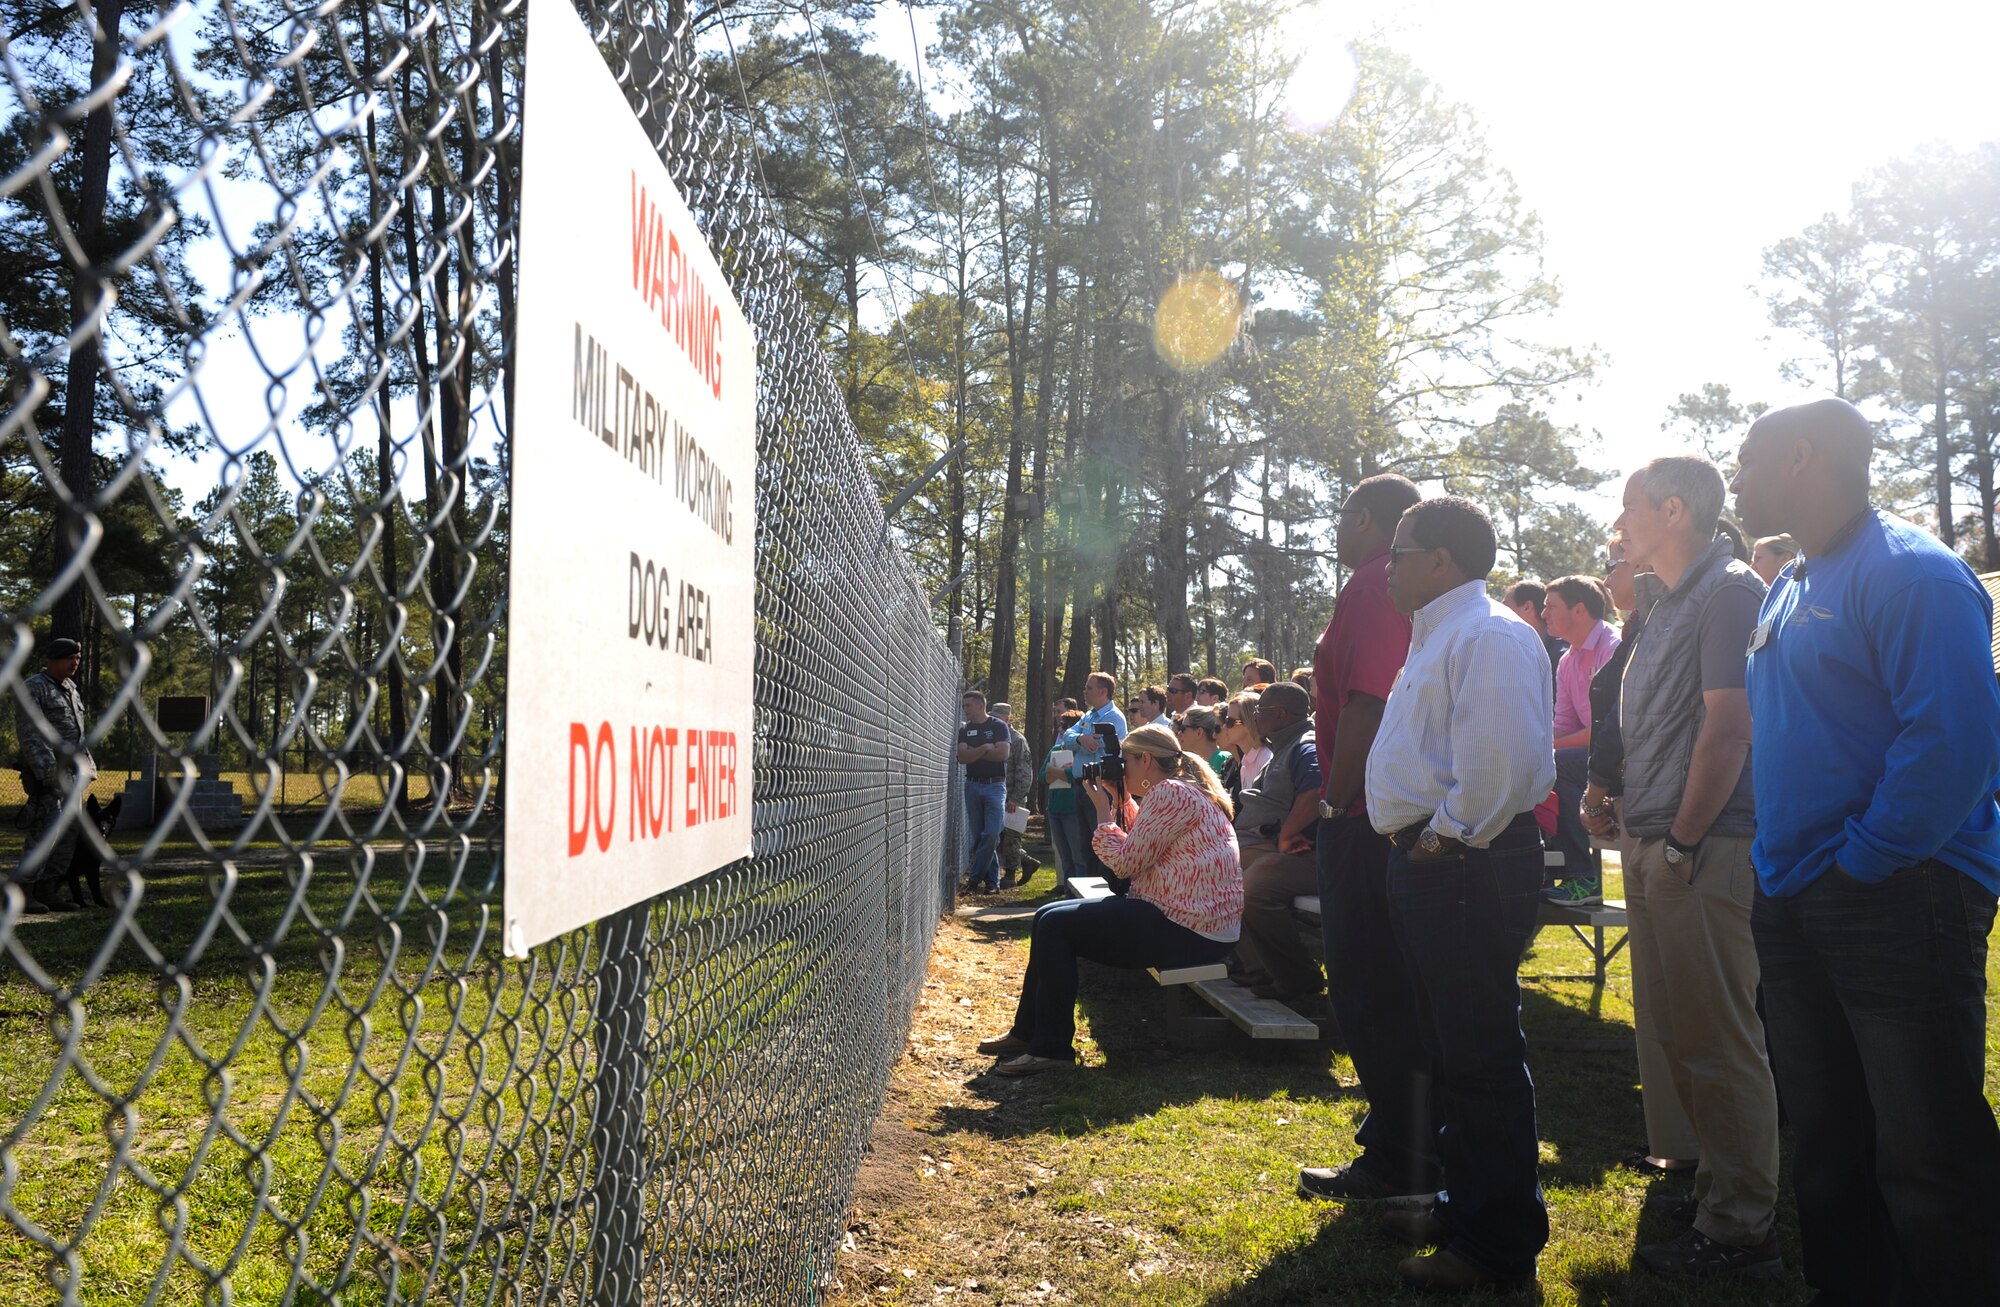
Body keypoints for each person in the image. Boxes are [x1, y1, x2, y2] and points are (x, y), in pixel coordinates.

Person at [1732, 397, 2000, 1304]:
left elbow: (1956, 741)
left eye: (1749, 457)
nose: (1736, 477)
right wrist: (1786, 871)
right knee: (1829, 1140)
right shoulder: (1790, 583)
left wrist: (1865, 859)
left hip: (1898, 892)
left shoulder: (1913, 573)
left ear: (1802, 456)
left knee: (1927, 1150)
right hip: (1795, 894)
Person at [1592, 456, 1780, 1279]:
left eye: (1629, 505)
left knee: (1718, 1039)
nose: (1618, 522)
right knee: (1676, 1031)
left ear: (1674, 510)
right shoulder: (1666, 599)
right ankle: (1714, 1189)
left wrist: (1680, 839)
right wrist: (1622, 800)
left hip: (1700, 847)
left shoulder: (1729, 591)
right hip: (1659, 841)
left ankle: (1740, 1227)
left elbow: (1730, 729)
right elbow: (1660, 723)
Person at [1362, 496, 1553, 1293]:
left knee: (1479, 1052)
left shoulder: (1489, 634)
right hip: (1440, 860)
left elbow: (1497, 767)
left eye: (1399, 552)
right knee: (1451, 1048)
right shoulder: (1440, 633)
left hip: (1465, 861)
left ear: (1441, 560)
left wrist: (1439, 840)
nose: (1387, 567)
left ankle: (1498, 1246)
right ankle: (1466, 1204)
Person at [1296, 473, 1431, 1206]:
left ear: (1366, 518)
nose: (1335, 531)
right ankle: (1399, 1145)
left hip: (1365, 815)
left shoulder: (1376, 581)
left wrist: (1336, 800)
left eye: (1341, 516)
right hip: (1377, 810)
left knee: (1369, 983)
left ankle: (1403, 1161)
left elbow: (1369, 702)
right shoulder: (1388, 580)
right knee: (1379, 983)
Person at [979, 723, 1244, 1076]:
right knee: (1046, 915)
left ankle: (1051, 1049)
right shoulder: (1180, 791)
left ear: (1145, 760)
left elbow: (1125, 863)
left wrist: (1103, 813)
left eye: (1125, 761)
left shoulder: (1172, 794)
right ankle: (1027, 1033)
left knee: (1056, 926)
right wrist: (1120, 801)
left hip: (1190, 929)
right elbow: (1142, 843)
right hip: (1187, 920)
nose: (1120, 768)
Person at [1583, 536, 1701, 1176]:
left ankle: (1709, 1159)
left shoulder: (1703, 604)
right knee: (1656, 996)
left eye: (1619, 562)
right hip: (1638, 808)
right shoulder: (1644, 622)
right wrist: (1602, 786)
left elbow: (1656, 721)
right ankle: (1675, 1144)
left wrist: (1603, 783)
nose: (1611, 573)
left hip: (1677, 816)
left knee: (1693, 999)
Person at [1226, 681, 1324, 1002]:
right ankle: (1257, 967)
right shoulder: (1284, 745)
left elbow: (1315, 791)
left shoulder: (1305, 744)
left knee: (1250, 884)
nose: (1255, 717)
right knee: (1216, 866)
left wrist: (1287, 835)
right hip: (1260, 845)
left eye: (1260, 711)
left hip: (1302, 854)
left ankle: (1296, 977)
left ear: (1280, 714)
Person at [1541, 575, 1620, 903]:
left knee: (1555, 764)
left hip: (1623, 758)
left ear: (1579, 610)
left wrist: (1550, 749)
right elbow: (1563, 725)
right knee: (1533, 765)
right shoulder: (1567, 659)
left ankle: (1582, 877)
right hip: (1594, 759)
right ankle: (1547, 872)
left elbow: (1612, 728)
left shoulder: (1613, 646)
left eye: (1551, 606)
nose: (1544, 614)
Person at [11, 637, 96, 914]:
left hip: (73, 774)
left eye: (78, 658)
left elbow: (78, 734)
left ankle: (49, 890)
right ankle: (24, 892)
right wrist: (47, 771)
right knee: (46, 832)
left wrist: (88, 767)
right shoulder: (35, 687)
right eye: (70, 658)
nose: (76, 663)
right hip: (50, 775)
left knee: (68, 833)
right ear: (54, 659)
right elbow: (30, 733)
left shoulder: (71, 689)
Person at [1047, 674, 1128, 882]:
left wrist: (1080, 742)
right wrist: (1081, 739)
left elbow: (1097, 745)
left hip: (1101, 787)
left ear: (1103, 691)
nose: (1084, 691)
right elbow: (1066, 738)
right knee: (1085, 845)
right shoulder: (1089, 716)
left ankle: (1104, 887)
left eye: (1089, 688)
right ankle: (1087, 889)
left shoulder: (1114, 717)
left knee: (1100, 840)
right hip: (1082, 786)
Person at [956, 691, 1011, 893]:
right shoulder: (965, 729)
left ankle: (974, 879)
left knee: (991, 834)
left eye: (968, 705)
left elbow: (1002, 754)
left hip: (995, 786)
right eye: (964, 705)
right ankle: (992, 883)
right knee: (980, 837)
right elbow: (962, 757)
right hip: (972, 785)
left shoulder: (998, 726)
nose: (965, 709)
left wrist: (974, 752)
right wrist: (985, 748)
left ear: (980, 705)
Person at [989, 703, 1041, 888]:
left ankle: (1010, 876)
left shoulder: (1017, 740)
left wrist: (1016, 798)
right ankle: (1027, 862)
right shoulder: (992, 736)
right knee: (1000, 837)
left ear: (1008, 718)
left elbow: (1025, 771)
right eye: (993, 717)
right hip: (996, 793)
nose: (995, 720)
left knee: (1011, 838)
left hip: (1013, 796)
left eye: (999, 717)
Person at [1041, 709, 1086, 878]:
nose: (1060, 729)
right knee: (1065, 857)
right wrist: (1059, 772)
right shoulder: (1056, 749)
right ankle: (1067, 890)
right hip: (1054, 809)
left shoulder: (1082, 753)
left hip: (1073, 810)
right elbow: (1042, 776)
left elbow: (1074, 776)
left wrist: (1054, 770)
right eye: (1060, 725)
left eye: (1064, 726)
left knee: (1078, 857)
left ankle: (1079, 892)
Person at [1504, 580, 1565, 686]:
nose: (1501, 612)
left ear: (1527, 607)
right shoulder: (1514, 648)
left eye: (1505, 606)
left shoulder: (1560, 656)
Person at [1215, 690, 1262, 810]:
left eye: (1230, 722)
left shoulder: (1266, 759)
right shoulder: (1246, 759)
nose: (1224, 727)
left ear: (1248, 722)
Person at [1174, 705, 1231, 777]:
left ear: (1199, 732)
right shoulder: (1191, 764)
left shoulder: (1222, 760)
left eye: (1183, 728)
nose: (1179, 733)